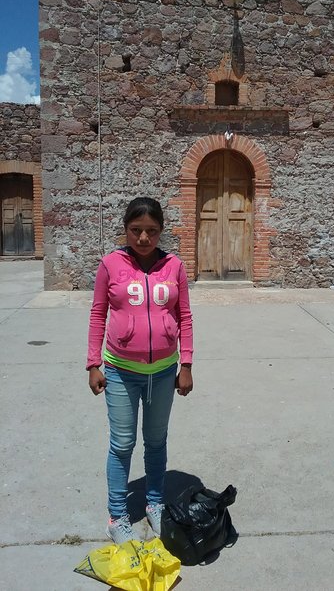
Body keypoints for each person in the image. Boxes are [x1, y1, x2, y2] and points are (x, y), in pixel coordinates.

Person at [86, 196, 193, 544]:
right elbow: (98, 313)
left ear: (161, 230)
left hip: (163, 373)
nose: (143, 238)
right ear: (125, 229)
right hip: (120, 372)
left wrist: (186, 363)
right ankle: (117, 517)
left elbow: (184, 316)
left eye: (151, 230)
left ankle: (155, 504)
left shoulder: (174, 266)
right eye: (136, 230)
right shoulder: (110, 265)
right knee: (122, 443)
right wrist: (93, 363)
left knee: (156, 441)